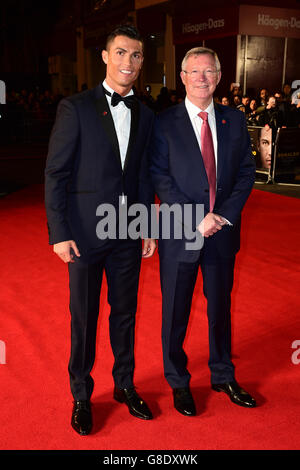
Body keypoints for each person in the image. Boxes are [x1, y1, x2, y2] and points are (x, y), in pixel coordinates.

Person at [45, 24, 156, 436]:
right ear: (106, 57)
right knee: (85, 318)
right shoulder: (75, 107)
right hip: (85, 236)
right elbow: (56, 173)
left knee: (125, 315)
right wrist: (59, 232)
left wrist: (147, 226)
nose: (130, 62)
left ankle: (124, 385)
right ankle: (82, 395)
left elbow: (143, 175)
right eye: (122, 53)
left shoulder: (146, 114)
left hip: (128, 232)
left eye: (137, 55)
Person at [149, 46, 256, 417]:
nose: (201, 78)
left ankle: (222, 374)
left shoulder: (235, 120)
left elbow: (245, 173)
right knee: (175, 312)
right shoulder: (163, 123)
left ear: (219, 75)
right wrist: (198, 218)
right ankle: (178, 381)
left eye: (208, 71)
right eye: (194, 71)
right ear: (182, 77)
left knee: (220, 309)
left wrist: (222, 216)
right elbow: (159, 176)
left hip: (222, 233)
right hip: (181, 232)